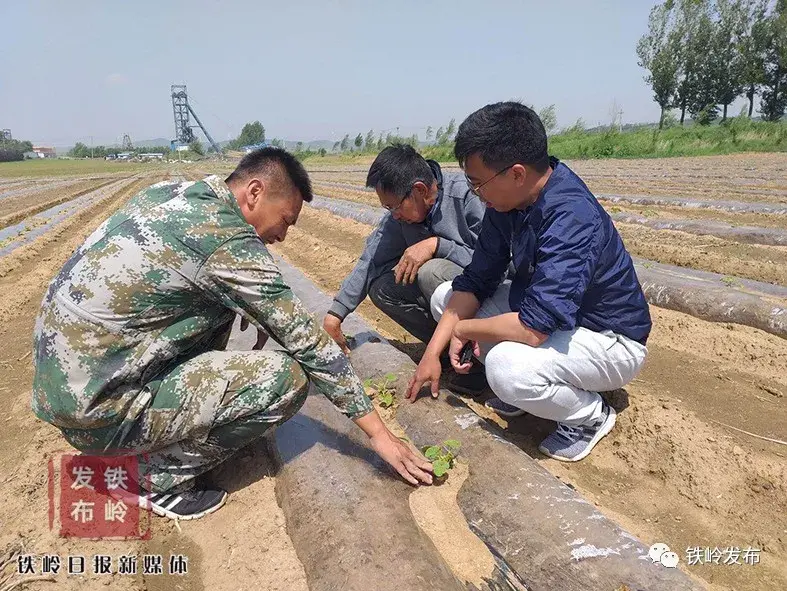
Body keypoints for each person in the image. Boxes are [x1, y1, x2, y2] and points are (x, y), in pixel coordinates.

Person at [32, 147, 432, 521]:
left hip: (71, 391)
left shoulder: (174, 195)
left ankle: (146, 435)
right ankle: (153, 478)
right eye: (286, 220)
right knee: (286, 379)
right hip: (104, 412)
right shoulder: (225, 241)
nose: (283, 235)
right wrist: (381, 436)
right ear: (255, 193)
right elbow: (307, 343)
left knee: (223, 313)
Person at [407, 102, 652, 462]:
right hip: (554, 320)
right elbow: (476, 281)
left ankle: (588, 416)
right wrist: (431, 353)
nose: (477, 194)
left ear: (517, 174)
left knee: (506, 367)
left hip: (608, 340)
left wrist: (465, 331)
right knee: (448, 297)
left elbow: (533, 330)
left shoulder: (571, 216)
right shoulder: (508, 205)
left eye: (478, 184)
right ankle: (531, 396)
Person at [323, 144, 485, 357]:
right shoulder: (401, 219)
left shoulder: (467, 196)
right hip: (449, 294)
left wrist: (437, 245)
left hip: (489, 291)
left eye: (395, 206)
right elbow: (371, 259)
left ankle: (476, 357)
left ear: (420, 190)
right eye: (388, 208)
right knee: (382, 287)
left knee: (430, 271)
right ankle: (445, 352)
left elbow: (497, 261)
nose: (394, 214)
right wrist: (336, 314)